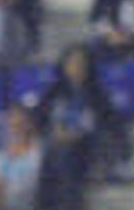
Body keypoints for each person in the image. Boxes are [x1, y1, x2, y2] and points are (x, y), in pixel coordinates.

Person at [0, 102, 79, 210]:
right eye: (12, 124)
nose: (16, 128)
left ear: (29, 125)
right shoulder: (0, 157)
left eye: (20, 123)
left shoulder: (44, 154)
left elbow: (47, 190)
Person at [34, 43, 126, 186]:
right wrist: (54, 132)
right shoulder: (52, 93)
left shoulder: (98, 95)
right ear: (64, 66)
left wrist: (79, 133)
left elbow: (109, 123)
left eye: (81, 64)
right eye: (73, 63)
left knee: (68, 153)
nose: (77, 68)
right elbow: (38, 120)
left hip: (87, 145)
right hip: (55, 143)